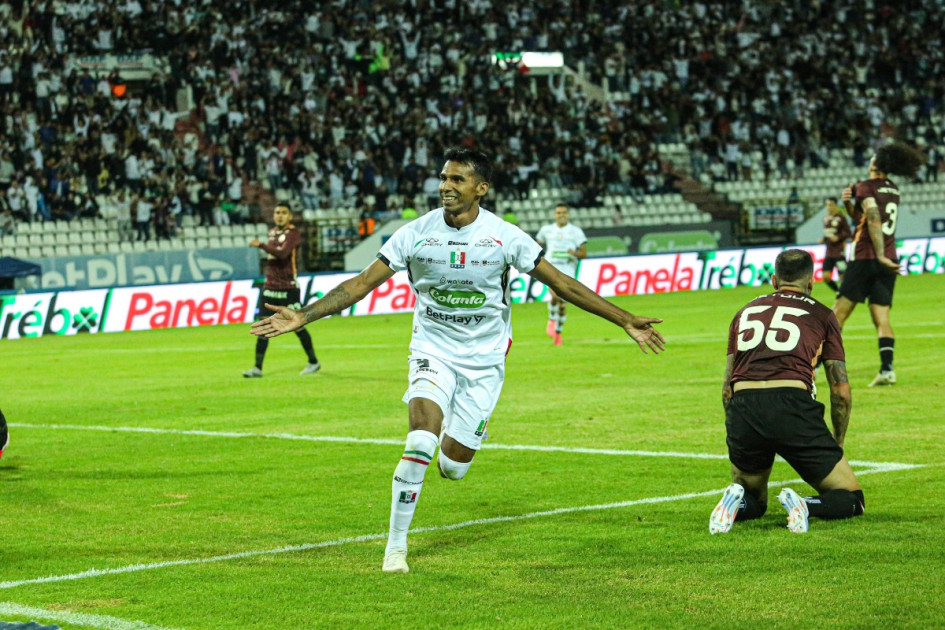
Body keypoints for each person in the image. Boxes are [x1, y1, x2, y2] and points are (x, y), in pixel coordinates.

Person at [251, 148, 665, 573]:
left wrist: (625, 319)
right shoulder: (415, 233)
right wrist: (303, 315)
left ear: (480, 188)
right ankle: (395, 548)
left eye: (457, 180)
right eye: (443, 178)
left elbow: (563, 284)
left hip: (484, 362)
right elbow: (361, 284)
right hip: (432, 350)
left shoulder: (505, 237)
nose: (445, 186)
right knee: (419, 441)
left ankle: (455, 425)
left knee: (452, 467)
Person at [709, 249, 863, 535]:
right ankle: (805, 505)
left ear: (773, 279)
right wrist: (837, 441)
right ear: (812, 281)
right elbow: (840, 389)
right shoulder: (822, 314)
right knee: (852, 498)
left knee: (753, 499)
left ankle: (735, 504)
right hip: (792, 405)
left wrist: (739, 427)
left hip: (744, 405)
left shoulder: (744, 312)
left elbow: (726, 386)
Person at [832, 143, 926, 387]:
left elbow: (873, 219)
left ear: (876, 164)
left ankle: (814, 371)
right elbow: (862, 217)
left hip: (866, 257)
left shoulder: (865, 186)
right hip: (888, 260)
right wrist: (849, 205)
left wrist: (880, 253)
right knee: (881, 317)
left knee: (836, 317)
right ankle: (887, 369)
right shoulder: (893, 189)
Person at [244, 202, 321, 378]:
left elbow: (282, 253)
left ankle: (313, 361)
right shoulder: (272, 232)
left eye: (284, 213)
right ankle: (257, 368)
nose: (279, 215)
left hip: (288, 287)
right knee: (264, 324)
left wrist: (261, 245)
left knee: (297, 325)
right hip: (270, 287)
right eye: (277, 212)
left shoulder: (294, 234)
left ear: (290, 216)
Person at [535, 203, 587, 345]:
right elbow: (536, 245)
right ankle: (552, 319)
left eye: (564, 212)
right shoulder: (547, 230)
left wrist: (574, 253)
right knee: (554, 295)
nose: (561, 215)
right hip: (552, 267)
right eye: (559, 213)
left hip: (568, 268)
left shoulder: (576, 231)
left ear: (568, 214)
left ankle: (558, 333)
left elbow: (583, 253)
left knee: (563, 304)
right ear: (555, 215)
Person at [818, 197, 852, 293]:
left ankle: (845, 293)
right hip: (829, 252)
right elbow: (829, 235)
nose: (829, 207)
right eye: (827, 205)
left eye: (831, 205)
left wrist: (838, 237)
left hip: (839, 252)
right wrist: (824, 239)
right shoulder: (825, 219)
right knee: (825, 277)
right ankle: (838, 291)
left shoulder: (841, 218)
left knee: (843, 276)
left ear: (836, 206)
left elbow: (849, 233)